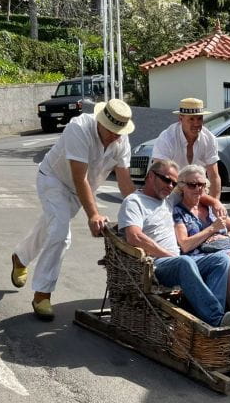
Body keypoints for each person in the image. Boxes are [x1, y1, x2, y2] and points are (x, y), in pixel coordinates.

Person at [11, 98, 137, 321]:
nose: (116, 136)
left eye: (119, 132)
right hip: (54, 180)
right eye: (112, 131)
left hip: (79, 190)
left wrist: (139, 212)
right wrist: (93, 215)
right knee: (61, 233)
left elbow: (125, 182)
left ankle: (20, 257)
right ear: (100, 121)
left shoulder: (121, 139)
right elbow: (80, 178)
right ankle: (42, 294)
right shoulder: (78, 128)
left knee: (50, 227)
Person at [119, 160, 230, 328]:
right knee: (185, 261)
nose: (170, 186)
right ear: (151, 176)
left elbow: (195, 190)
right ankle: (216, 320)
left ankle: (206, 318)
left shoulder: (168, 198)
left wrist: (215, 202)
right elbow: (134, 237)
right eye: (166, 180)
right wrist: (169, 255)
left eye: (174, 183)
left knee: (222, 259)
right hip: (155, 264)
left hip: (180, 260)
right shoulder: (134, 201)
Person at [172, 165, 230, 324]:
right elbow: (185, 244)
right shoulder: (178, 212)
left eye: (202, 185)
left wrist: (225, 236)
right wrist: (211, 230)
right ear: (182, 187)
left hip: (223, 247)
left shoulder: (211, 208)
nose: (198, 189)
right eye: (192, 185)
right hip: (200, 255)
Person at [151, 97, 223, 199]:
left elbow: (214, 176)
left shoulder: (209, 139)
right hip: (171, 191)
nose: (196, 123)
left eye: (199, 118)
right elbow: (159, 176)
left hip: (198, 190)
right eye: (191, 119)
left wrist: (214, 204)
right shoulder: (167, 138)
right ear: (180, 119)